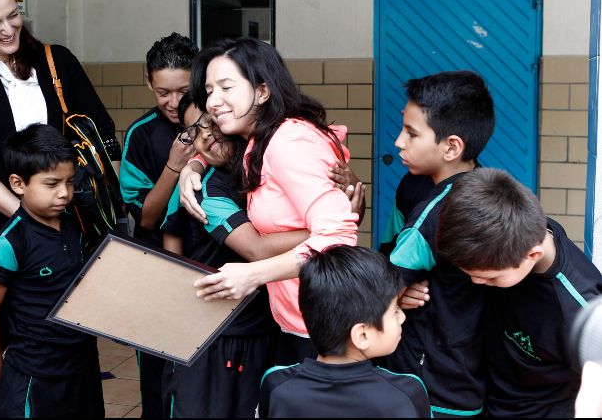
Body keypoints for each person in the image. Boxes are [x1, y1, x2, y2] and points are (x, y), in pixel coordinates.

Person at [0, 0, 119, 417]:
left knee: (69, 337)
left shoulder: (57, 62)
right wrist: (27, 216)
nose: (7, 29)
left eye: (13, 15)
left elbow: (103, 137)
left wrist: (80, 197)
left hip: (64, 228)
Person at [179, 37, 364, 364]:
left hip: (326, 320)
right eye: (209, 91)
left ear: (262, 92)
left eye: (226, 87)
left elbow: (336, 237)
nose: (213, 102)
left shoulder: (289, 141)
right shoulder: (258, 141)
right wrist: (193, 165)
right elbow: (217, 147)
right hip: (298, 314)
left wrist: (254, 274)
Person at [159, 94, 308, 417]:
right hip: (208, 330)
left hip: (263, 322)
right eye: (197, 130)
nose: (207, 134)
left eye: (214, 124)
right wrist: (177, 288)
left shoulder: (269, 169)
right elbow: (172, 230)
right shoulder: (202, 188)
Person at [436, 168, 602, 417]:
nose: (474, 281)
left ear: (532, 255)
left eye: (489, 277)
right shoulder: (513, 231)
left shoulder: (578, 307)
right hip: (483, 396)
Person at [380, 70, 495, 418]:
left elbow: (375, 286)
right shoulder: (415, 186)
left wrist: (391, 288)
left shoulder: (441, 209)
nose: (399, 142)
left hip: (430, 381)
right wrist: (399, 285)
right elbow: (390, 254)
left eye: (412, 133)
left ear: (452, 147)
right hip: (457, 370)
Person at [0, 124, 103, 417]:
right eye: (51, 184)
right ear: (19, 184)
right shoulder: (11, 243)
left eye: (69, 183)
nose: (64, 193)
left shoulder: (72, 225)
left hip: (81, 368)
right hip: (35, 376)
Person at [118, 32, 198, 418]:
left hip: (210, 263)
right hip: (155, 268)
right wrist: (175, 163)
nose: (173, 102)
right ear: (148, 81)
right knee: (156, 372)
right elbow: (146, 217)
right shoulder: (141, 135)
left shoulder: (223, 123)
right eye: (163, 91)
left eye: (183, 91)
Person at [258, 245, 431, 418]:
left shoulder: (276, 385)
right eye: (395, 310)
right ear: (362, 335)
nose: (402, 318)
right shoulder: (406, 392)